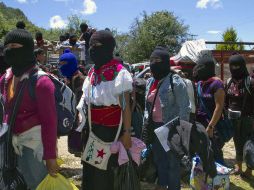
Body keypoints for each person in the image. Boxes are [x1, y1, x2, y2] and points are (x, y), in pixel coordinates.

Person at [1, 29, 58, 190]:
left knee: (35, 185)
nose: (8, 50)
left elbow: (49, 122)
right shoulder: (6, 79)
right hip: (10, 145)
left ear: (26, 48)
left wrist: (50, 156)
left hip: (34, 148)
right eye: (6, 46)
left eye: (13, 45)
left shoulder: (41, 82)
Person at [77, 30, 133, 190]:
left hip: (111, 133)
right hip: (92, 131)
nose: (93, 49)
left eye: (98, 46)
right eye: (91, 46)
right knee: (90, 172)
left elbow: (125, 106)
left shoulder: (119, 73)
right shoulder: (92, 72)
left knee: (105, 174)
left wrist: (127, 133)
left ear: (109, 48)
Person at [144, 46, 190, 190]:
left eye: (157, 60)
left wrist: (181, 135)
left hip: (171, 129)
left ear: (165, 62)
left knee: (173, 163)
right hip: (155, 129)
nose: (153, 63)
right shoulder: (150, 82)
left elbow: (185, 108)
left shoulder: (175, 81)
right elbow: (147, 106)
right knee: (159, 160)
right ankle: (162, 185)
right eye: (151, 60)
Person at [225, 54, 254, 178]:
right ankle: (238, 167)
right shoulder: (228, 81)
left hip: (249, 119)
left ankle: (249, 170)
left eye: (237, 65)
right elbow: (226, 100)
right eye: (232, 66)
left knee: (249, 145)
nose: (235, 68)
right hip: (233, 118)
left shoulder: (250, 82)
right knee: (237, 142)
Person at [193, 58, 225, 164]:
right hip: (200, 123)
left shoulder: (217, 84)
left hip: (212, 125)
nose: (198, 70)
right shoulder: (200, 83)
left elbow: (219, 107)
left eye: (200, 67)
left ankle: (221, 176)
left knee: (215, 151)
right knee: (202, 150)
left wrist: (211, 126)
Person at [59, 50, 85, 157]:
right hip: (72, 112)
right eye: (60, 64)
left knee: (79, 135)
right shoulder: (69, 77)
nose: (62, 67)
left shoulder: (79, 79)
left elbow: (80, 99)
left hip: (79, 113)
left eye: (64, 64)